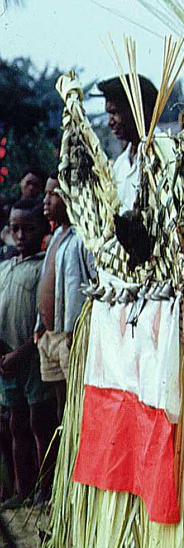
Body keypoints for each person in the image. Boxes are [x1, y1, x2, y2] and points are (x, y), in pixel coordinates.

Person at [0, 200, 55, 501]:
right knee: (15, 423)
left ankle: (43, 489)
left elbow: (42, 317)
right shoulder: (5, 267)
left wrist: (20, 353)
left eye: (28, 229)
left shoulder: (41, 267)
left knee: (39, 423)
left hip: (30, 356)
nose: (21, 235)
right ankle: (22, 490)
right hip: (7, 359)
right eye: (15, 229)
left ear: (41, 230)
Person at [36, 178, 91, 429]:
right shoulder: (57, 234)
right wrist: (40, 324)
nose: (46, 200)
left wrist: (74, 329)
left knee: (76, 402)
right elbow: (47, 277)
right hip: (50, 334)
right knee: (60, 403)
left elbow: (86, 286)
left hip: (69, 337)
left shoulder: (82, 237)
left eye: (53, 194)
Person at [95, 73, 159, 213]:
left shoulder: (165, 156)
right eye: (108, 114)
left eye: (115, 112)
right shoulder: (120, 165)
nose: (110, 122)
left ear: (138, 110)